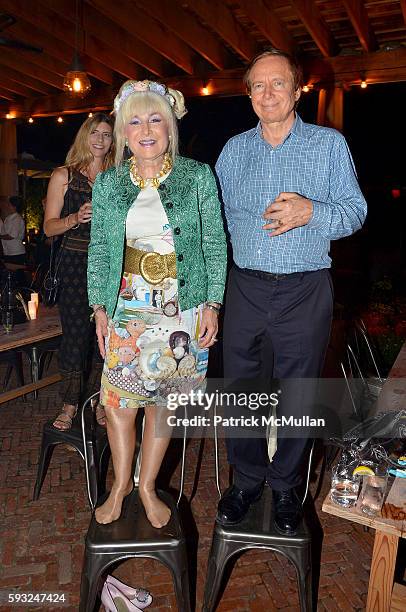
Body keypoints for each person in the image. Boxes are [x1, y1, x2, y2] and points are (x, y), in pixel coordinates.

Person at [215, 48, 367, 534]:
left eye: (277, 83)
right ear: (249, 95)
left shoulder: (327, 145)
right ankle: (246, 479)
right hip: (245, 288)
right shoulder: (234, 151)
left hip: (305, 289)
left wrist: (311, 212)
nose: (266, 93)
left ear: (298, 90)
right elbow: (213, 222)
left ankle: (286, 488)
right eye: (257, 86)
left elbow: (355, 212)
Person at [87, 79, 227, 527]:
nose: (145, 129)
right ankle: (119, 483)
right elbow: (100, 251)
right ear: (123, 132)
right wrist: (99, 308)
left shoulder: (197, 177)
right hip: (127, 311)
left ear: (168, 126)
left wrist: (212, 304)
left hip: (180, 311)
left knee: (163, 408)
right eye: (135, 121)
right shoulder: (107, 184)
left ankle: (147, 487)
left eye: (155, 119)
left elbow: (214, 243)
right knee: (119, 406)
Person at [44, 113, 114, 430]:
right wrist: (75, 217)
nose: (100, 138)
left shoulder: (117, 176)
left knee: (107, 337)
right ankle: (70, 404)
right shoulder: (65, 176)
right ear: (84, 136)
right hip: (74, 264)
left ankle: (98, 400)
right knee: (75, 336)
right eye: (94, 132)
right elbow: (48, 228)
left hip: (109, 265)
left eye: (107, 134)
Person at [0, 196, 26, 265]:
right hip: (9, 251)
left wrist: (1, 237)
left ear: (14, 207)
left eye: (9, 204)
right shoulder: (9, 217)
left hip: (16, 252)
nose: (7, 206)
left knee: (16, 274)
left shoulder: (17, 219)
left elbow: (12, 236)